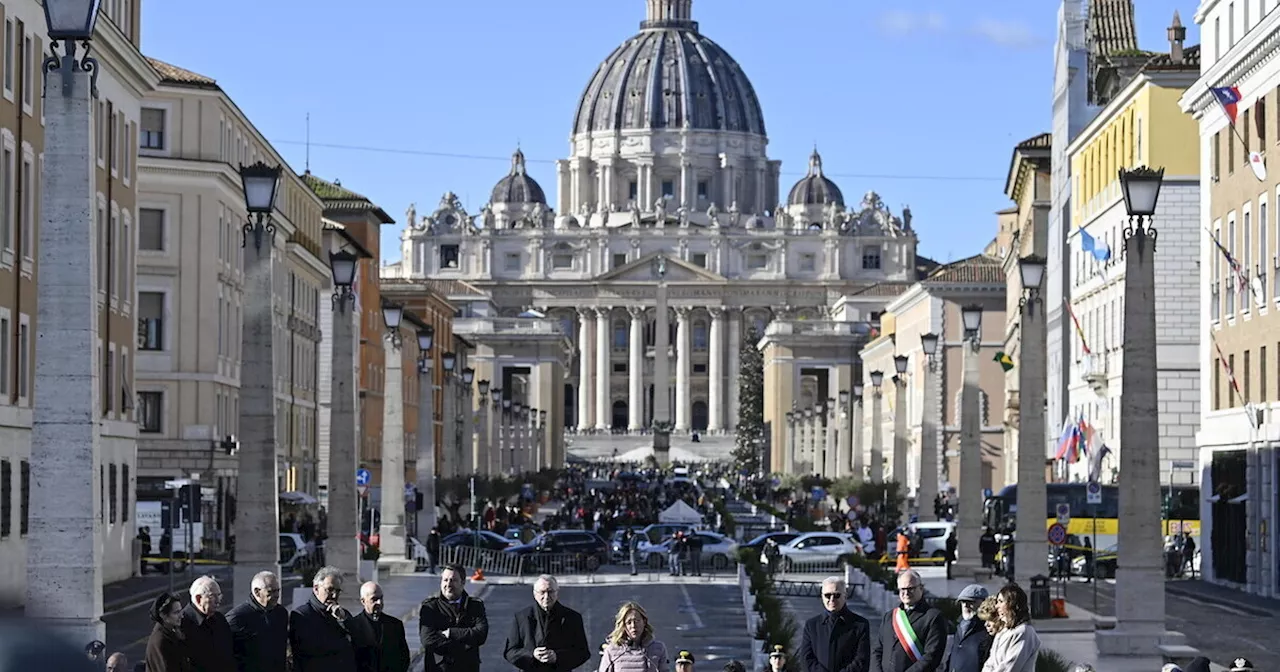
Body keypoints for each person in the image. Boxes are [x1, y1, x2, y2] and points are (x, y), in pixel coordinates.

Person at [503, 574, 591, 672]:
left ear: (557, 593)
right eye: (542, 592)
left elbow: (583, 653)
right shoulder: (521, 617)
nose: (546, 596)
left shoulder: (572, 618)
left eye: (550, 592)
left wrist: (557, 657)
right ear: (534, 594)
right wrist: (532, 654)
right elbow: (510, 651)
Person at [870, 569, 947, 672]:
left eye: (911, 588)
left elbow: (931, 656)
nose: (906, 593)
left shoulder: (933, 617)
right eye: (902, 589)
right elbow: (877, 650)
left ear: (921, 588)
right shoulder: (889, 616)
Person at [420, 563, 489, 672]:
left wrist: (451, 633)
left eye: (453, 580)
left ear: (463, 582)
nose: (448, 584)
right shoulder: (430, 607)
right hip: (439, 668)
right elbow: (428, 640)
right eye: (445, 580)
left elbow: (481, 634)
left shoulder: (475, 606)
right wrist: (464, 647)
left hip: (467, 667)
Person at [289, 565, 358, 672]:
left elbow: (358, 639)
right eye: (330, 590)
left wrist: (343, 620)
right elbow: (306, 651)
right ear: (316, 588)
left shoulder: (343, 614)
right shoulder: (301, 615)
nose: (334, 596)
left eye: (338, 591)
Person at [798, 576, 870, 672]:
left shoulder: (860, 625)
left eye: (836, 595)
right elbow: (806, 659)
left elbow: (861, 660)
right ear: (822, 596)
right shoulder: (812, 625)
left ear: (845, 596)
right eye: (827, 595)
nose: (832, 599)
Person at [226, 570, 288, 672]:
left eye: (278, 590)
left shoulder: (281, 613)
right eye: (271, 591)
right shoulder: (236, 618)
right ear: (257, 592)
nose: (277, 595)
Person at [349, 581, 411, 672]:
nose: (379, 602)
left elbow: (404, 657)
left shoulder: (395, 625)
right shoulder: (354, 625)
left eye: (381, 598)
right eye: (374, 599)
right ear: (363, 601)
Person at [980, 584, 1040, 672]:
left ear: (1012, 604)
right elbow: (990, 663)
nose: (997, 606)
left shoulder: (1024, 632)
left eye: (1000, 601)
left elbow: (1009, 667)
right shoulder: (1003, 631)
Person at [182, 576, 235, 672]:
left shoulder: (219, 619)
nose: (218, 601)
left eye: (219, 595)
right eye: (213, 596)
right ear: (198, 599)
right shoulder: (182, 623)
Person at [597, 601, 669, 672]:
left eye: (637, 621)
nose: (633, 626)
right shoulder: (612, 650)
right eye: (629, 622)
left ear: (644, 622)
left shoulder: (658, 648)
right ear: (623, 626)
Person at [943, 585, 991, 672]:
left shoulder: (988, 629)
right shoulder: (958, 626)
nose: (965, 605)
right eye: (963, 602)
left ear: (984, 603)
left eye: (970, 602)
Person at [146, 592, 194, 672]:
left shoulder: (172, 632)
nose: (181, 616)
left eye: (180, 611)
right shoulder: (161, 640)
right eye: (176, 613)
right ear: (163, 615)